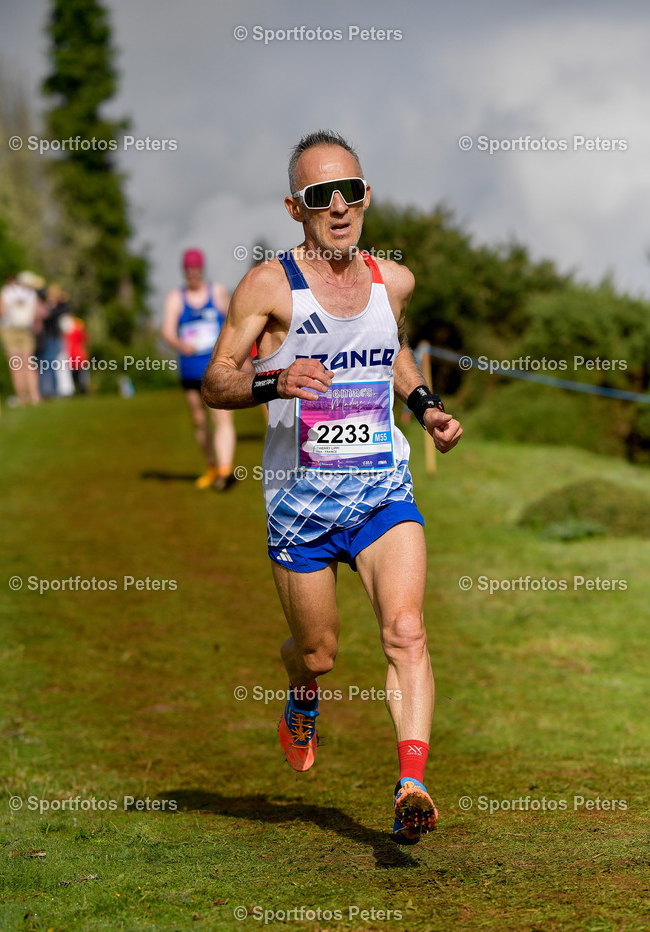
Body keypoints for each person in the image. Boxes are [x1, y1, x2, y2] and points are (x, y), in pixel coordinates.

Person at [202, 130, 463, 843]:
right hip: (300, 507)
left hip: (381, 490)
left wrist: (425, 407)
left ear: (366, 196)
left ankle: (411, 782)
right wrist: (273, 379)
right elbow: (217, 380)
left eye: (349, 191)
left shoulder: (393, 282)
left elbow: (390, 350)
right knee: (318, 652)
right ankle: (301, 690)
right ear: (296, 208)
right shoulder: (268, 286)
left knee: (406, 630)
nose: (339, 206)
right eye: (321, 196)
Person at [162, 249, 235, 490]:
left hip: (217, 368)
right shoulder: (176, 298)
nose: (193, 274)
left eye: (196, 269)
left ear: (202, 269)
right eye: (189, 270)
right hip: (190, 368)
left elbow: (235, 323)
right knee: (199, 419)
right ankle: (211, 466)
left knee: (221, 416)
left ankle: (225, 469)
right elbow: (167, 331)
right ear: (184, 271)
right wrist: (180, 344)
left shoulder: (218, 292)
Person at [0, 271, 42, 406]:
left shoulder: (6, 291)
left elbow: (1, 312)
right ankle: (34, 396)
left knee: (16, 365)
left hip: (10, 330)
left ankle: (22, 398)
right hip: (26, 330)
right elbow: (36, 314)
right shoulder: (32, 294)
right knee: (29, 363)